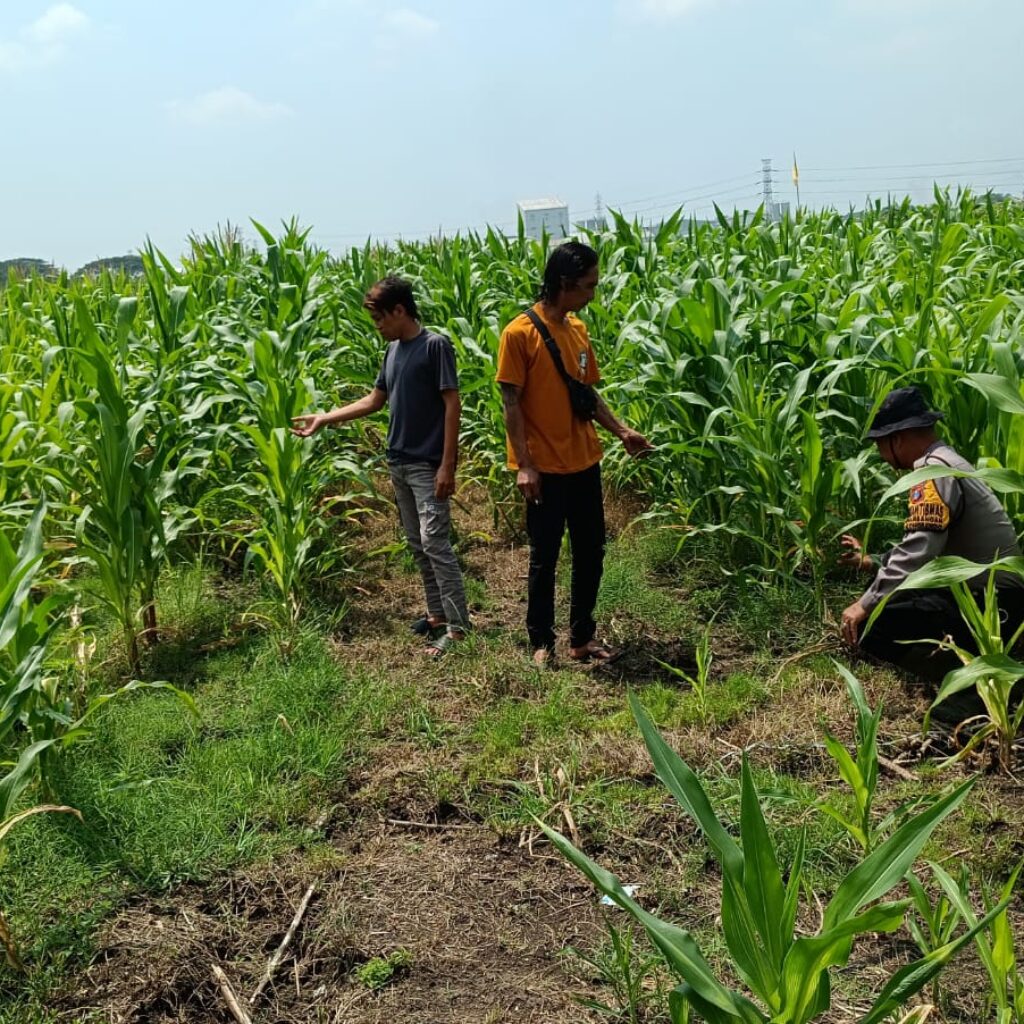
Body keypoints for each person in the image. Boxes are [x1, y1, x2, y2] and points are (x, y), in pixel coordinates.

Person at [292, 276, 469, 656]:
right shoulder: (392, 352)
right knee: (416, 543)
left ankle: (458, 629)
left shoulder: (434, 346)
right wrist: (326, 417)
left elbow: (453, 405)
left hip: (427, 464)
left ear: (400, 310)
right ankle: (437, 616)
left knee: (435, 543)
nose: (378, 328)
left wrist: (447, 465)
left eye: (380, 319)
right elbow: (374, 400)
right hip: (399, 462)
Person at [496, 240, 653, 667]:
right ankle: (541, 642)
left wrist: (621, 432)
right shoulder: (518, 334)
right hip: (544, 469)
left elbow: (585, 393)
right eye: (589, 285)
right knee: (544, 557)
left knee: (590, 553)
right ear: (565, 283)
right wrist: (525, 465)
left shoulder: (578, 330)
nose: (593, 294)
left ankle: (582, 638)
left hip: (585, 461)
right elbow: (511, 402)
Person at [839, 385, 1024, 681]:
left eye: (880, 445)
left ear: (896, 439)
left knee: (870, 626)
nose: (882, 455)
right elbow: (927, 544)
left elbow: (922, 549)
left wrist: (864, 604)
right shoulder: (947, 460)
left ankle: (954, 673)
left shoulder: (932, 472)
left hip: (994, 605)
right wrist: (873, 562)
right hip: (999, 596)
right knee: (889, 594)